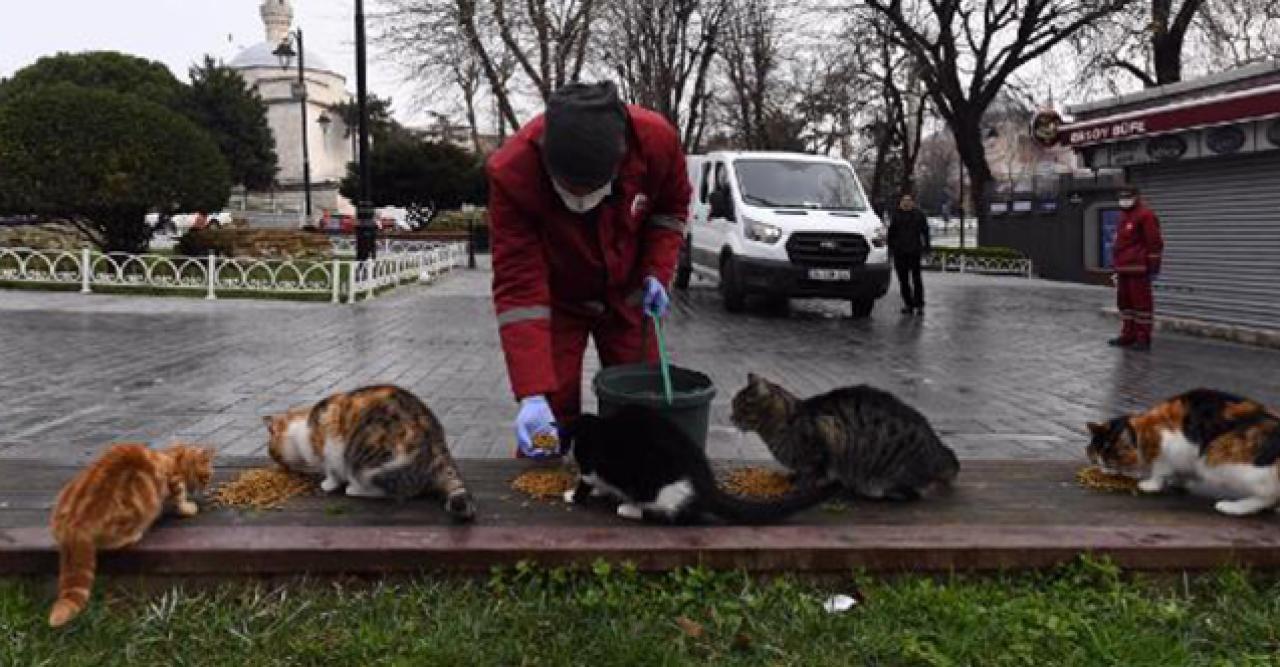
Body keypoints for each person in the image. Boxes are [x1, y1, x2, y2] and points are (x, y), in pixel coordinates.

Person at [487, 81, 691, 458]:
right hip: (559, 298)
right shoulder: (512, 171)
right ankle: (542, 484)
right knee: (552, 407)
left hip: (631, 294)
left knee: (638, 403)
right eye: (570, 190)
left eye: (590, 189)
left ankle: (636, 482)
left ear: (619, 161)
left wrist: (656, 272)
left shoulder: (656, 141)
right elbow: (519, 288)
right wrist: (532, 392)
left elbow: (670, 210)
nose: (580, 202)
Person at [1109, 185, 1164, 351]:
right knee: (1125, 304)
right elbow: (1119, 243)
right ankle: (1128, 335)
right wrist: (1115, 268)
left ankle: (1143, 338)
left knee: (1141, 305)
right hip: (1123, 267)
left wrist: (1153, 268)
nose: (1124, 200)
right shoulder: (1122, 217)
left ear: (1136, 197)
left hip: (1139, 268)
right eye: (1121, 197)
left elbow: (1155, 243)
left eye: (1127, 197)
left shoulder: (1146, 215)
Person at [887, 192, 930, 315]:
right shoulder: (896, 215)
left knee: (917, 279)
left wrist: (927, 248)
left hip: (914, 251)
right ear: (900, 203)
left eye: (908, 200)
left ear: (912, 202)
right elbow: (891, 234)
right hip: (900, 252)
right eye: (904, 200)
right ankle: (908, 303)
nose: (906, 203)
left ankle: (919, 304)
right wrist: (891, 249)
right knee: (903, 280)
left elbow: (925, 232)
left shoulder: (919, 215)